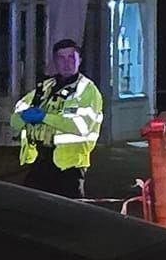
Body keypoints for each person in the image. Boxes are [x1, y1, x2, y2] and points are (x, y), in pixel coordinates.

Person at [13, 39, 104, 199]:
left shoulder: (87, 90)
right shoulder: (44, 88)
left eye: (71, 58)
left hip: (69, 167)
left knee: (69, 218)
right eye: (61, 58)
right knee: (31, 212)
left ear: (80, 60)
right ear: (54, 62)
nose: (66, 63)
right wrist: (23, 118)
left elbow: (80, 127)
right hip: (39, 163)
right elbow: (14, 122)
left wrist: (43, 117)